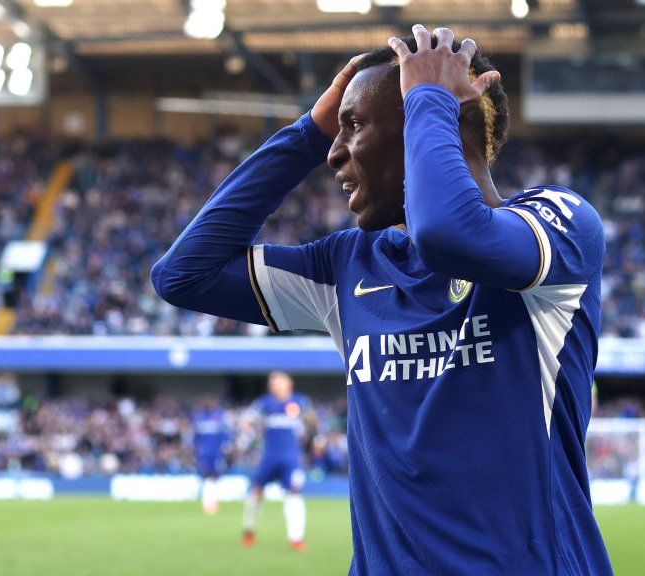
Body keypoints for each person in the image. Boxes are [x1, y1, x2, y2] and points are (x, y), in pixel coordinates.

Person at [152, 25, 612, 575]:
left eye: (354, 125)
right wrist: (305, 133)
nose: (334, 154)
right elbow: (183, 274)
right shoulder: (349, 266)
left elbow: (447, 235)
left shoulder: (558, 228)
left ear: (430, 121)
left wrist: (429, 97)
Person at [240, 371, 311, 550]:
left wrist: (311, 429)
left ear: (288, 383)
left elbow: (312, 421)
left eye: (277, 382)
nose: (273, 386)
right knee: (256, 492)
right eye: (271, 383)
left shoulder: (300, 401)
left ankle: (296, 538)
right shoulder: (264, 403)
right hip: (269, 456)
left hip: (291, 458)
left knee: (294, 494)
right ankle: (249, 530)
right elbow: (247, 419)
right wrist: (249, 430)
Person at [192, 397, 229, 515]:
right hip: (204, 453)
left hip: (216, 453)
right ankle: (207, 502)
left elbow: (225, 433)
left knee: (216, 476)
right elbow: (196, 436)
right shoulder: (200, 417)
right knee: (206, 476)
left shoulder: (219, 416)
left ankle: (214, 500)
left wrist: (226, 445)